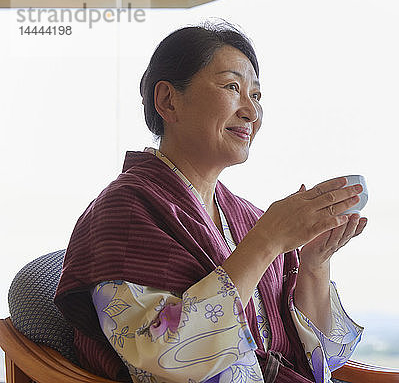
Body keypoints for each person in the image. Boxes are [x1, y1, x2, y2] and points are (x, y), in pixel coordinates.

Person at [55, 20, 367, 383]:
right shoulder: (122, 210)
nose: (251, 112)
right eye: (232, 87)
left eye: (257, 95)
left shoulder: (247, 217)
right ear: (168, 101)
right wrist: (267, 242)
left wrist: (314, 262)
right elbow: (163, 354)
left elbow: (321, 359)